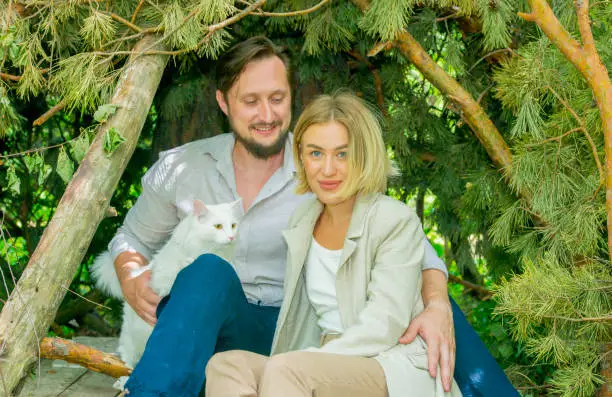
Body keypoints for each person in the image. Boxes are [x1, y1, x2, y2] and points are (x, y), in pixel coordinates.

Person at [106, 36, 516, 396]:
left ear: (291, 96)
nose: (266, 114)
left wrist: (438, 304)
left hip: (294, 331)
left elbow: (409, 247)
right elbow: (130, 239)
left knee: (432, 308)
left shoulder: (321, 169)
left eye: (277, 98)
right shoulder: (185, 167)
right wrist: (130, 274)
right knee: (207, 272)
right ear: (222, 101)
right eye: (251, 101)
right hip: (213, 329)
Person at [205, 91, 463, 397]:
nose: (328, 169)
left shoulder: (393, 219)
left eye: (342, 154)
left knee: (288, 369)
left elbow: (385, 324)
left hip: (388, 361)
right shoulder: (302, 221)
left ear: (364, 156)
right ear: (300, 155)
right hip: (323, 359)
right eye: (316, 153)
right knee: (226, 365)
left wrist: (304, 360)